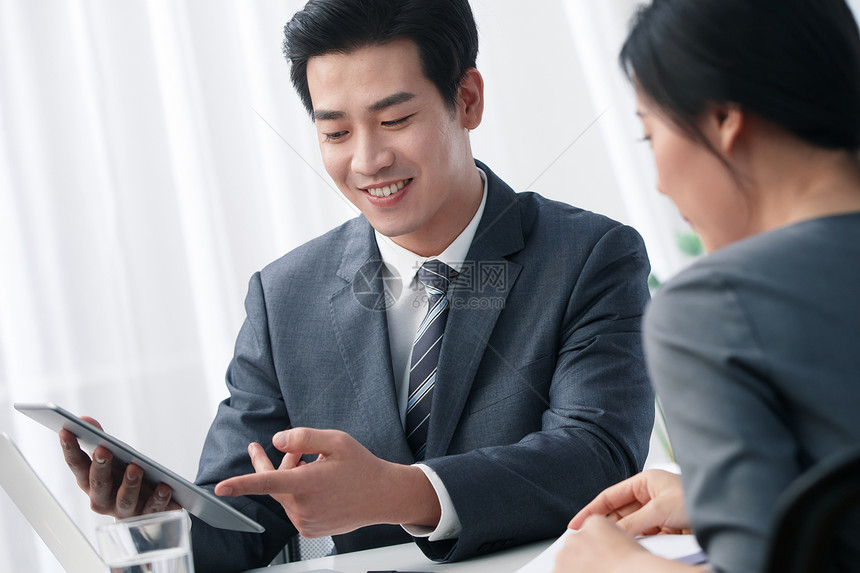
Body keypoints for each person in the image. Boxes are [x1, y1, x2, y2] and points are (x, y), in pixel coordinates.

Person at [60, 1, 655, 571]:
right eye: (336, 133)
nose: (368, 160)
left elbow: (596, 455)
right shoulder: (283, 295)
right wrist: (162, 521)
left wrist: (400, 493)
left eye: (395, 120)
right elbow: (243, 513)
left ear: (467, 100)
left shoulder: (589, 257)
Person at [552, 0, 860, 572]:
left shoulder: (713, 309)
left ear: (723, 118)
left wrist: (618, 565)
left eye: (650, 136)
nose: (661, 182)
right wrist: (742, 503)